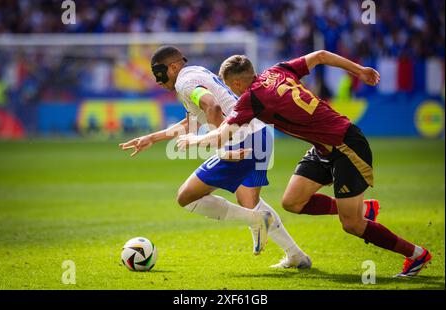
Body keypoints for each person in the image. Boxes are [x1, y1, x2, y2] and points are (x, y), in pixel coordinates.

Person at [177, 50, 431, 277]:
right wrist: (359, 70)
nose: (232, 90)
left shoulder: (251, 99)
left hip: (345, 145)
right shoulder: (277, 70)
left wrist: (193, 140)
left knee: (351, 225)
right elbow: (320, 55)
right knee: (292, 202)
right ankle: (362, 209)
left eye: (231, 86)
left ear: (236, 82)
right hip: (323, 147)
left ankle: (416, 254)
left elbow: (222, 134)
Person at [119, 46, 311, 268]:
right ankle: (296, 255)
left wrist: (222, 147)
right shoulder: (195, 74)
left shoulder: (184, 82)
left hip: (241, 139)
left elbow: (213, 106)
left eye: (159, 74)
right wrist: (152, 138)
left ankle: (258, 221)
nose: (158, 81)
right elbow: (193, 121)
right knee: (250, 202)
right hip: (258, 134)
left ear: (173, 67)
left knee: (186, 197)